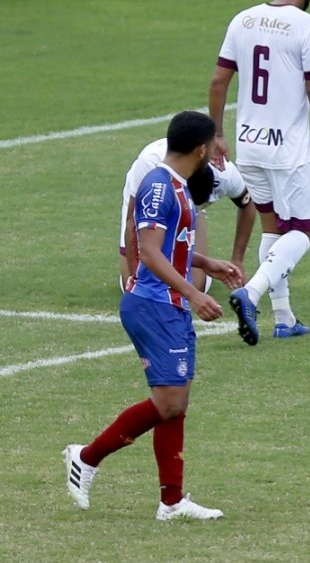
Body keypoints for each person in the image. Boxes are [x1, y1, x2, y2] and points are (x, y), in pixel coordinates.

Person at [64, 111, 242, 520]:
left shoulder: (176, 186)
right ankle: (86, 457)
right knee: (168, 402)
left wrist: (207, 263)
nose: (217, 150)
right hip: (155, 304)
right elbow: (147, 251)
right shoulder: (161, 188)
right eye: (214, 144)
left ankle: (172, 501)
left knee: (175, 403)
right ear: (201, 148)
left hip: (169, 304)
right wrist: (195, 293)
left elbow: (169, 247)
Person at [208, 0, 310, 345]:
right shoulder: (307, 25)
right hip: (289, 150)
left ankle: (284, 317)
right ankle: (250, 293)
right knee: (306, 231)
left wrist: (217, 133)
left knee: (274, 226)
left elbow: (218, 80)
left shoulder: (242, 19)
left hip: (248, 145)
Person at [119, 137, 255, 293]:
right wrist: (137, 283)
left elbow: (247, 205)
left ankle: (193, 221)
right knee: (134, 283)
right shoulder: (150, 167)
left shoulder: (226, 175)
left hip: (188, 199)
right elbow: (133, 224)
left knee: (196, 286)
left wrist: (237, 260)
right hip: (147, 201)